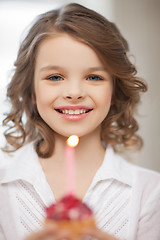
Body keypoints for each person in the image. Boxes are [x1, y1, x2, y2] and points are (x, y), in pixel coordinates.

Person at [0, 3, 160, 240]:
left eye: (93, 76)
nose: (74, 92)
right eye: (55, 77)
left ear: (115, 90)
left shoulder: (151, 192)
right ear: (31, 91)